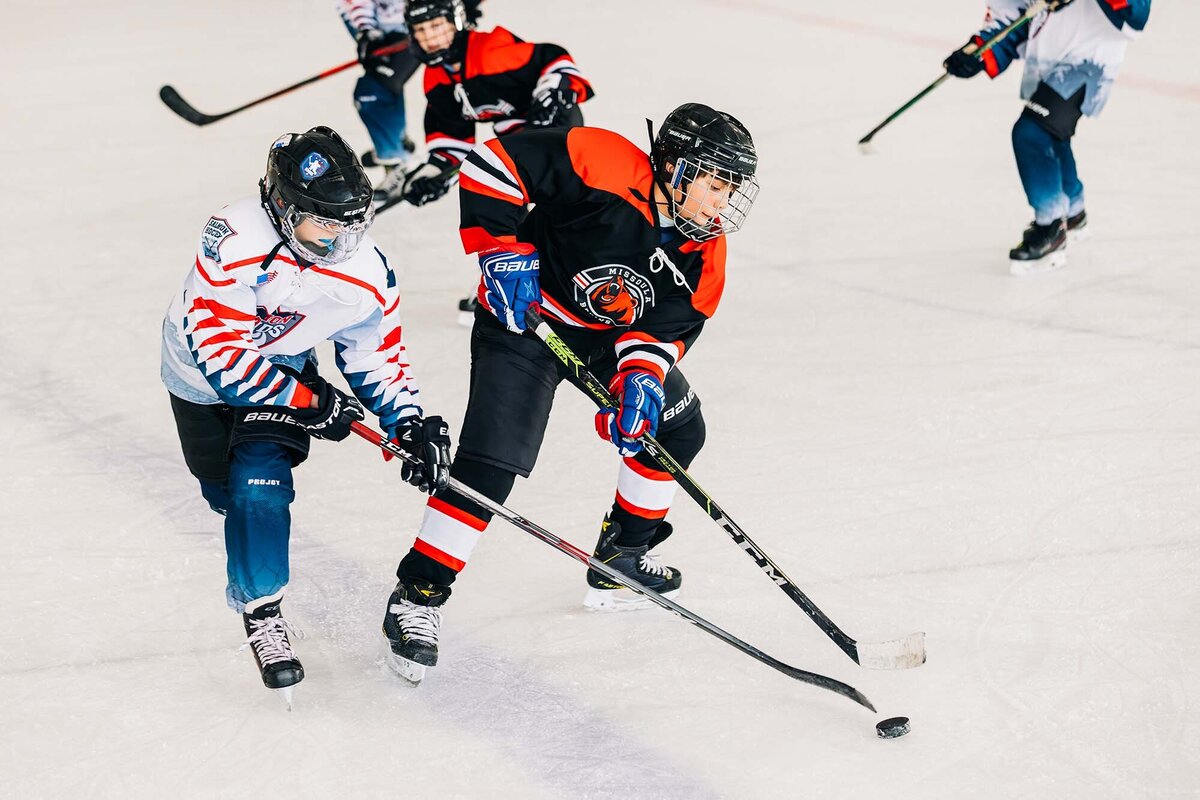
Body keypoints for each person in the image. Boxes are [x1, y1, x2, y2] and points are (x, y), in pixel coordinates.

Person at [379, 104, 759, 682]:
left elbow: (665, 329)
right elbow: (494, 164)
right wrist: (500, 249)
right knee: (491, 464)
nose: (722, 202)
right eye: (714, 183)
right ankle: (418, 594)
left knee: (678, 428)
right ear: (677, 169)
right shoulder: (601, 160)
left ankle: (621, 557)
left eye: (731, 188)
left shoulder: (704, 249)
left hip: (606, 341)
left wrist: (639, 381)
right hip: (525, 321)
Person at [160, 126, 452, 702]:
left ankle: (262, 610)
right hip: (198, 378)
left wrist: (408, 421)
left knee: (259, 491)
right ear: (282, 207)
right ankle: (254, 570)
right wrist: (314, 403)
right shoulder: (234, 235)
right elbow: (220, 354)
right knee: (223, 497)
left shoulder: (368, 269)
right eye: (325, 220)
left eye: (354, 219)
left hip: (283, 370)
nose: (344, 235)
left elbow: (375, 352)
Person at [943, 0, 1151, 275]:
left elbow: (1137, 12)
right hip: (1050, 59)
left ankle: (1051, 227)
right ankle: (1073, 212)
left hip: (1089, 60)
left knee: (1032, 134)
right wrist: (979, 51)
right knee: (1052, 135)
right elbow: (1017, 14)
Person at [374, 0, 595, 209]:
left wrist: (552, 92)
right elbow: (451, 138)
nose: (429, 37)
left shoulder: (489, 51)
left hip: (555, 129)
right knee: (496, 201)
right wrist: (431, 177)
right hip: (515, 142)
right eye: (420, 30)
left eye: (436, 26)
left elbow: (551, 57)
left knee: (561, 201)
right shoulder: (436, 79)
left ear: (457, 21)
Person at [338, 1, 422, 182]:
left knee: (372, 93)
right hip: (380, 23)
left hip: (411, 25)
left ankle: (396, 161)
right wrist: (366, 29)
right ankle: (395, 143)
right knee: (385, 84)